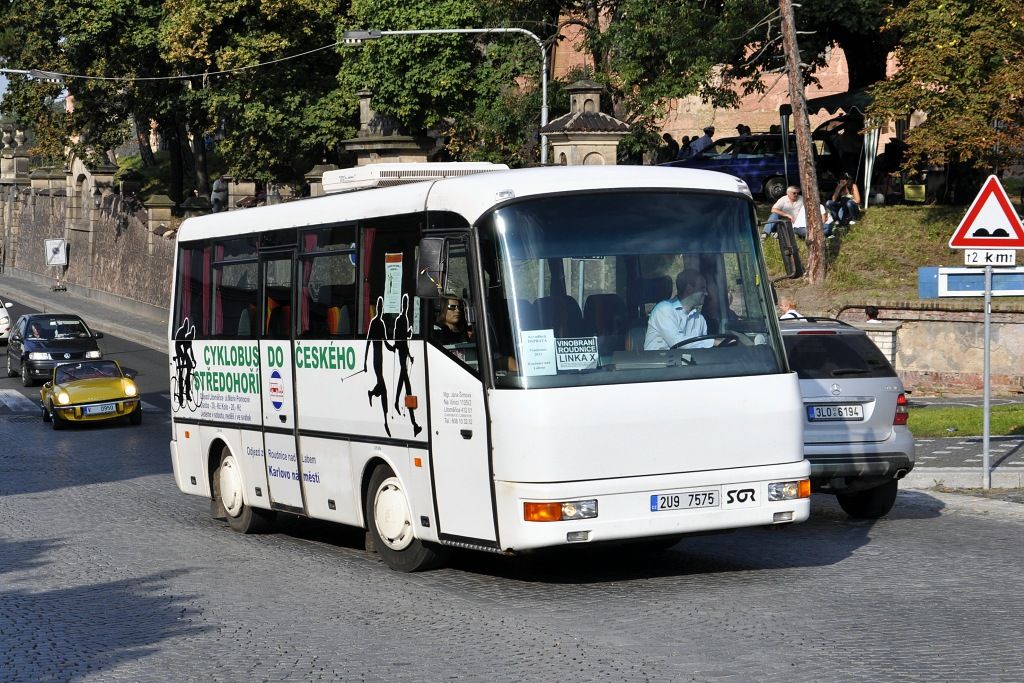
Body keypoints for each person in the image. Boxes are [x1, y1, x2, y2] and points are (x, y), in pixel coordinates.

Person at [644, 270, 714, 350]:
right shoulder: (663, 310)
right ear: (689, 289)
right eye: (702, 288)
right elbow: (677, 342)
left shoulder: (700, 319)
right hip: (659, 361)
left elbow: (703, 349)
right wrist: (713, 342)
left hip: (690, 361)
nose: (706, 293)